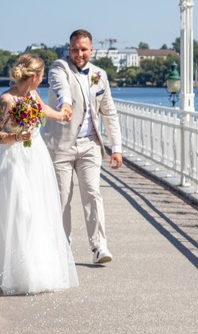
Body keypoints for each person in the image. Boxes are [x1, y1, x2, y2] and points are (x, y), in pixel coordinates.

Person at [0, 54, 78, 295]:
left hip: (35, 159)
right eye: (41, 77)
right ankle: (16, 273)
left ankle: (37, 270)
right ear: (34, 77)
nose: (41, 81)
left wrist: (62, 115)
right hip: (13, 161)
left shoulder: (31, 95)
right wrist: (16, 137)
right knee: (21, 211)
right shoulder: (6, 100)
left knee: (38, 211)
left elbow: (41, 110)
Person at [42, 29, 123, 265]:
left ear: (91, 49)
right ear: (70, 49)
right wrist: (65, 104)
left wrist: (116, 147)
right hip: (61, 146)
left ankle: (99, 246)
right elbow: (61, 88)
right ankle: (62, 247)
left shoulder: (99, 75)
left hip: (90, 145)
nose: (79, 54)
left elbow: (108, 111)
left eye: (84, 49)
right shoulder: (59, 67)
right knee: (62, 198)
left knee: (92, 193)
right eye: (75, 49)